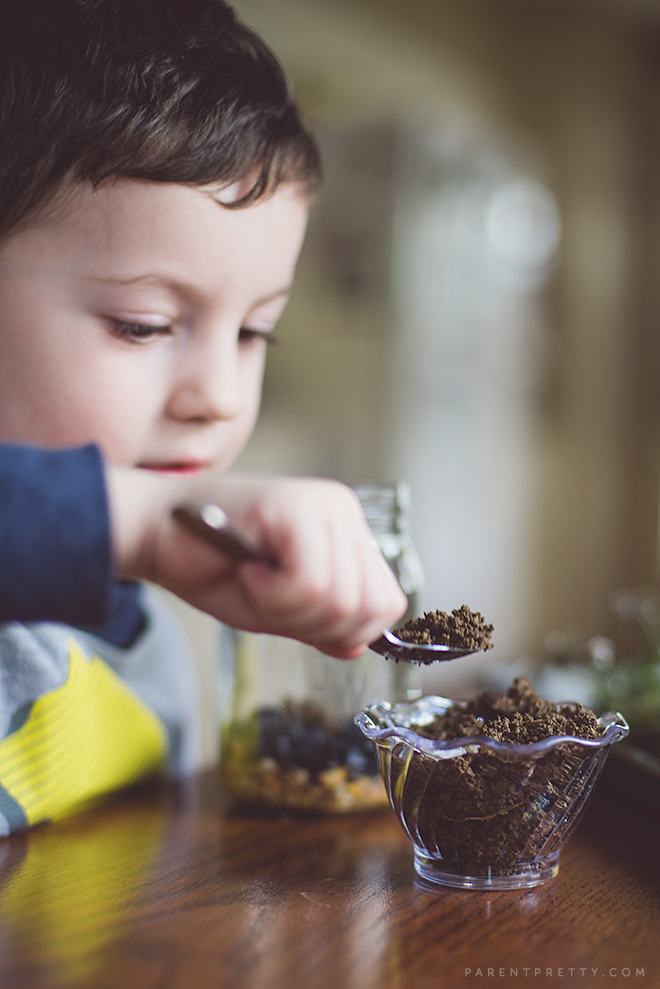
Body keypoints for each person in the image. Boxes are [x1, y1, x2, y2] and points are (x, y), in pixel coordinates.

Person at [0, 0, 407, 834]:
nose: (219, 396)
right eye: (142, 324)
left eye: (255, 331)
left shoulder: (149, 638)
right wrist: (143, 524)